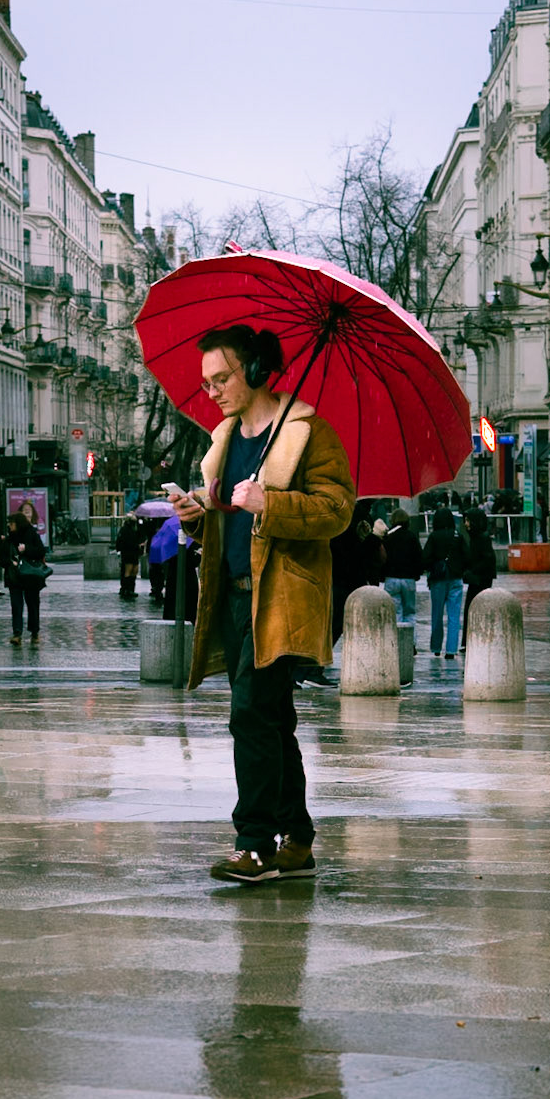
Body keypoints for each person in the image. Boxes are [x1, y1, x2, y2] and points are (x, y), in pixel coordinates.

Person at [174, 321, 354, 885]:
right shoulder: (225, 439)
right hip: (229, 598)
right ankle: (297, 838)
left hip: (280, 601)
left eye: (222, 377)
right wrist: (199, 513)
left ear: (254, 369)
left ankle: (254, 844)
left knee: (249, 715)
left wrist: (269, 502)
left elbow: (336, 510)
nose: (213, 391)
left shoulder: (307, 431)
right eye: (206, 382)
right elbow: (230, 517)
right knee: (272, 721)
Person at [330, 496, 387, 644]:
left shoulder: (341, 510)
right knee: (340, 625)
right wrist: (375, 538)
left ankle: (317, 663)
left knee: (333, 626)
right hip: (351, 580)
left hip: (335, 577)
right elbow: (361, 550)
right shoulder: (360, 514)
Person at [421, 505, 468, 660]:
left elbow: (425, 558)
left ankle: (436, 647)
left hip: (438, 580)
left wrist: (433, 566)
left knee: (437, 614)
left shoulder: (434, 536)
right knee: (454, 616)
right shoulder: (457, 535)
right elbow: (466, 556)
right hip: (455, 578)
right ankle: (451, 650)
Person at [4, 506, 48, 645]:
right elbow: (1, 558)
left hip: (30, 576)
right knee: (16, 606)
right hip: (14, 576)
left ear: (18, 523)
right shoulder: (9, 538)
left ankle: (34, 633)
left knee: (33, 605)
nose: (9, 526)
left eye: (11, 524)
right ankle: (17, 633)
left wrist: (26, 549)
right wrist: (10, 562)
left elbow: (41, 551)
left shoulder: (31, 533)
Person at [461, 507, 497, 649]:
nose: (466, 524)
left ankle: (471, 640)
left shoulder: (482, 537)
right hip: (478, 577)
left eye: (468, 520)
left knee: (474, 608)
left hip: (481, 579)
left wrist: (472, 570)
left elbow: (487, 559)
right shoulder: (476, 536)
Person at [381, 509, 425, 625]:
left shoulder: (388, 537)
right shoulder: (411, 536)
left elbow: (382, 558)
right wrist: (417, 574)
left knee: (395, 613)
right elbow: (419, 557)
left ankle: (396, 640)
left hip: (391, 577)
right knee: (409, 612)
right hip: (408, 578)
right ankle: (411, 640)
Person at [116, 512, 144, 600]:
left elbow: (140, 536)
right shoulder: (125, 529)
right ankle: (127, 589)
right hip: (128, 552)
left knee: (134, 570)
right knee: (128, 570)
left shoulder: (135, 529)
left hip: (134, 552)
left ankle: (129, 588)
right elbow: (122, 542)